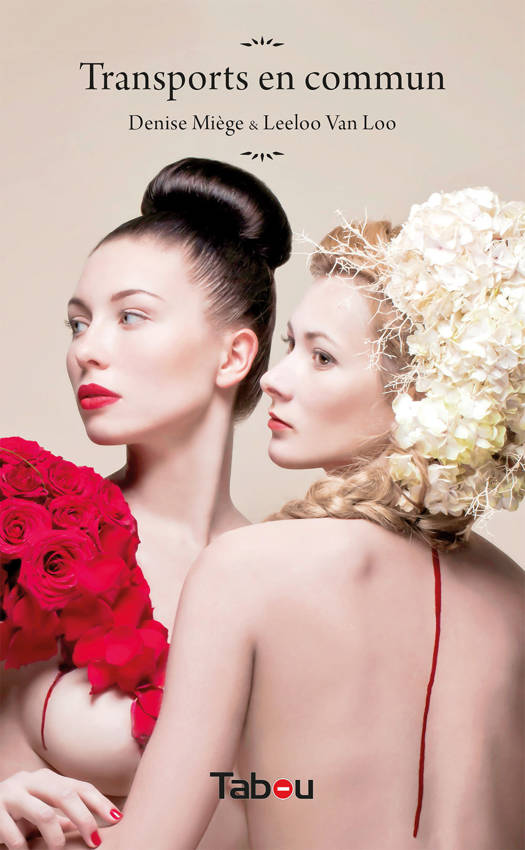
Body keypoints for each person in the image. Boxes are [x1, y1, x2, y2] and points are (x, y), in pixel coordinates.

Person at [32, 187, 524, 850]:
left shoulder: (247, 568)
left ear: (420, 393)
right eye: (290, 345)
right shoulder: (513, 594)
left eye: (320, 357)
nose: (272, 378)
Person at [0, 157, 292, 850]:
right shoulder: (27, 531)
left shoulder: (291, 575)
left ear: (233, 356)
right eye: (78, 324)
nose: (88, 350)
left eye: (131, 316)